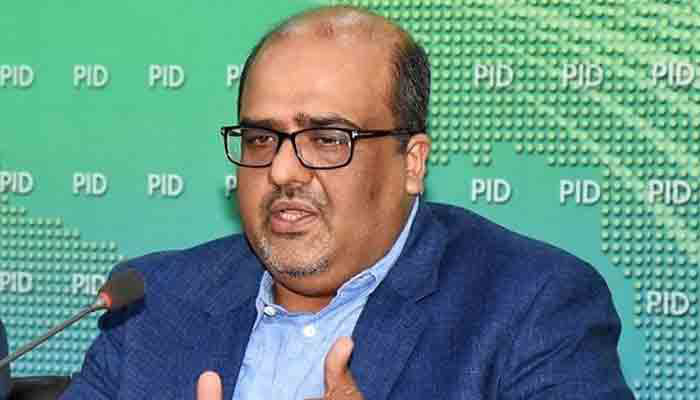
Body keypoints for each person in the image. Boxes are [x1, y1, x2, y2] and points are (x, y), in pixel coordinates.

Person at [61, 5, 635, 400]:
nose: (282, 170)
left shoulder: (530, 307)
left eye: (327, 139)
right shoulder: (154, 301)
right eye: (260, 138)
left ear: (411, 163)